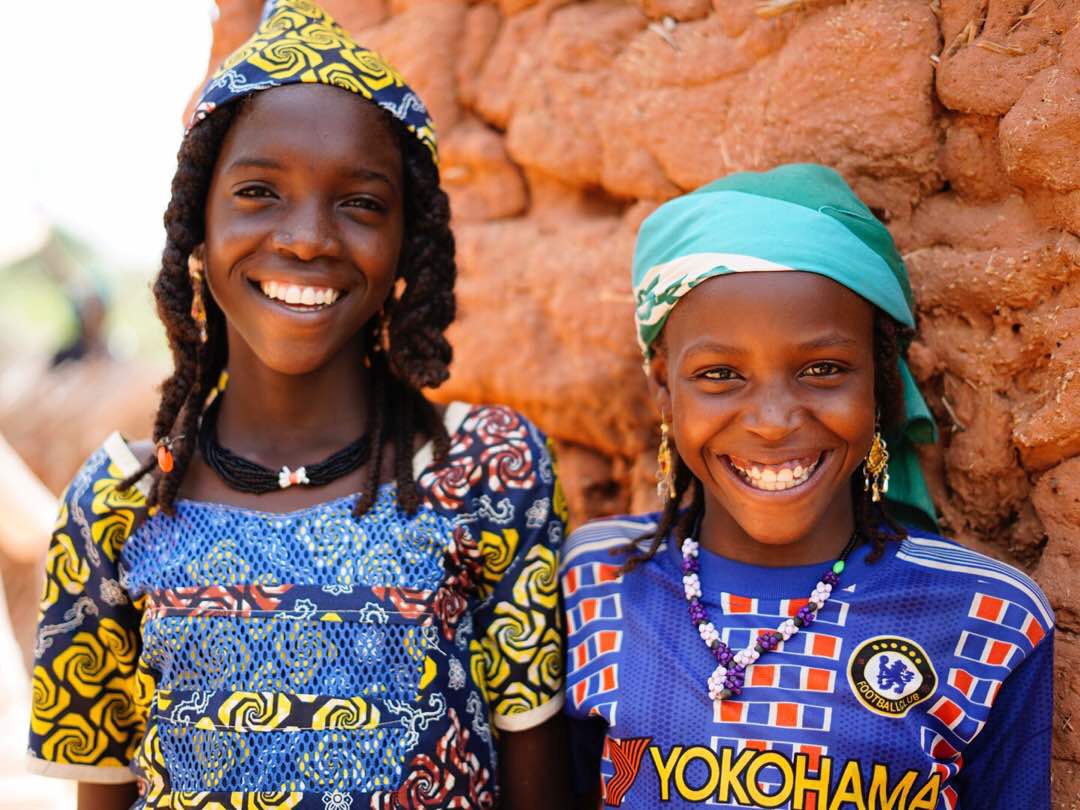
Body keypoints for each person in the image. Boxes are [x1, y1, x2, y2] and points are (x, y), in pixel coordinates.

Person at [27, 3, 569, 808]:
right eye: (259, 192)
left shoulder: (491, 473)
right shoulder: (115, 506)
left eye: (360, 203)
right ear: (197, 236)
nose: (309, 237)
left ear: (404, 251)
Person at [562, 164, 1054, 809]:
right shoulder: (595, 581)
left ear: (879, 386)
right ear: (663, 389)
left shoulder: (986, 617)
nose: (772, 422)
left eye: (822, 369)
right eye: (719, 375)